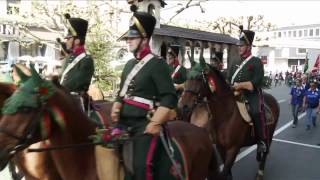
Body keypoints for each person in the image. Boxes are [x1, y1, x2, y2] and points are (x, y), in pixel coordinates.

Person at [111, 9, 177, 180]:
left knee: (141, 167)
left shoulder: (158, 64)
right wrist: (117, 104)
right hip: (124, 123)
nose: (128, 41)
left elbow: (169, 97)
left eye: (133, 38)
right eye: (128, 38)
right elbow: (122, 92)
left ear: (145, 40)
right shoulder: (128, 65)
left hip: (145, 123)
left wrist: (156, 122)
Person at [228, 27, 268, 153]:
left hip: (251, 94)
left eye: (242, 45)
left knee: (256, 112)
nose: (239, 47)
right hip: (234, 93)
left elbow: (257, 81)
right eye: (238, 45)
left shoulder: (256, 62)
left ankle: (261, 140)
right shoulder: (235, 61)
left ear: (249, 46)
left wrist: (240, 85)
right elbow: (229, 77)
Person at [59, 14, 94, 111]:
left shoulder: (86, 59)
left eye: (69, 39)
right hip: (64, 97)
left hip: (76, 100)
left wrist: (57, 89)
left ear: (77, 40)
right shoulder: (69, 58)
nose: (66, 41)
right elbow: (61, 78)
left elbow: (76, 83)